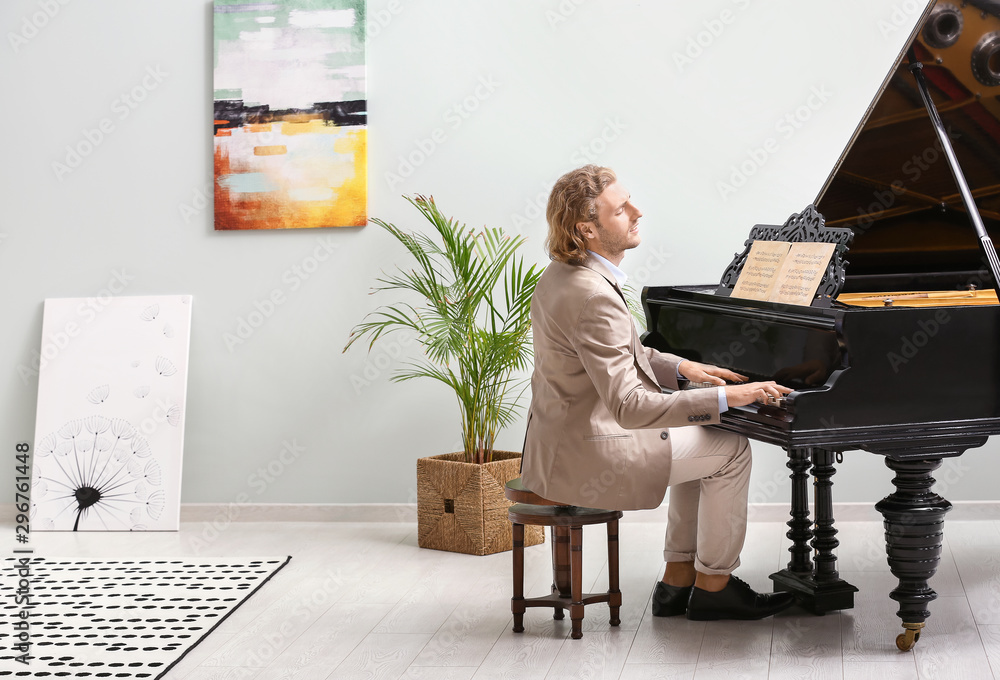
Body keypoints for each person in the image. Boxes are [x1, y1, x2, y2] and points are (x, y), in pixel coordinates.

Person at [521, 164, 796, 621]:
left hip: (559, 442)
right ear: (587, 229)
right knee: (731, 447)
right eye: (620, 208)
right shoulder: (594, 296)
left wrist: (686, 367)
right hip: (591, 453)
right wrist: (735, 397)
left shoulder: (563, 275)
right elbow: (629, 406)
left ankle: (678, 580)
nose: (637, 211)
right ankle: (715, 585)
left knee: (707, 438)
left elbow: (620, 353)